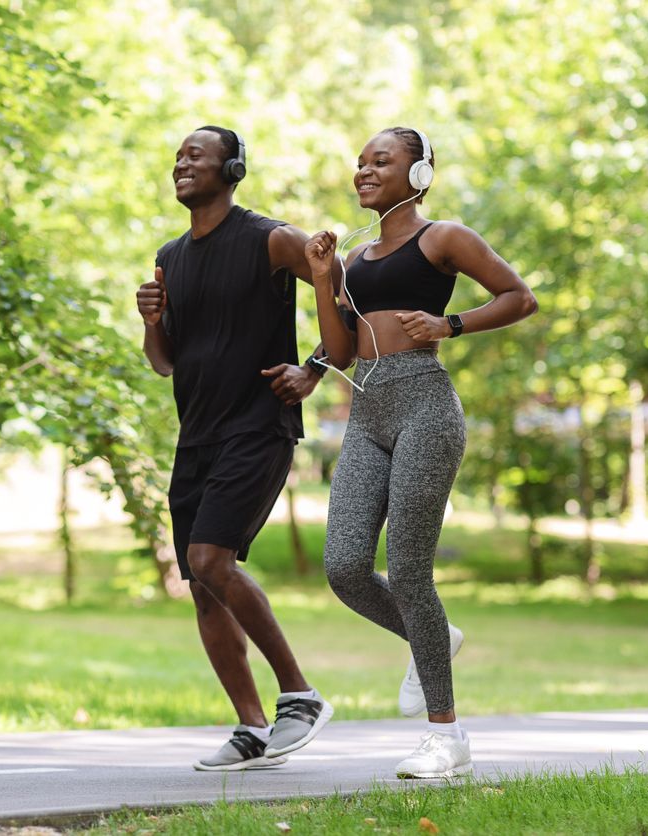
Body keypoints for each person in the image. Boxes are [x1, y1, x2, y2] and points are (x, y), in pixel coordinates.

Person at [303, 127, 537, 779]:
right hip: (367, 411)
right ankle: (431, 635)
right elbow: (342, 351)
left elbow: (520, 296)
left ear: (420, 174)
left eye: (382, 161)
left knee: (409, 572)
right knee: (345, 566)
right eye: (360, 163)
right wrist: (323, 279)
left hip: (425, 407)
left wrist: (451, 324)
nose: (364, 171)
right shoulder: (353, 257)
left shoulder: (445, 238)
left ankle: (447, 738)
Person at [136, 126, 336, 772]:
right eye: (178, 157)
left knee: (209, 558)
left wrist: (315, 367)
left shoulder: (269, 239)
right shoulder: (171, 255)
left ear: (235, 168)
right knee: (202, 584)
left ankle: (300, 696)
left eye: (196, 154)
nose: (182, 164)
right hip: (196, 435)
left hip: (258, 425)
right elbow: (164, 363)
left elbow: (342, 292)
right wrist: (149, 322)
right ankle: (251, 729)